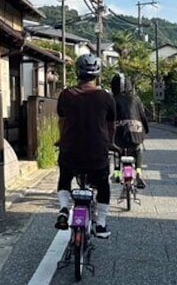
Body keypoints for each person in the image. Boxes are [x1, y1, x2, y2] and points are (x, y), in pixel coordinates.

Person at [54, 54, 116, 239]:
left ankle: (64, 209)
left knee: (65, 177)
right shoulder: (106, 97)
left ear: (77, 72)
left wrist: (61, 139)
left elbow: (62, 121)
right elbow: (111, 125)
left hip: (70, 152)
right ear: (97, 74)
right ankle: (102, 224)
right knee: (103, 184)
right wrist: (110, 143)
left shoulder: (66, 94)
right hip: (97, 154)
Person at [110, 73, 149, 189]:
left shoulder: (113, 100)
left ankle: (116, 173)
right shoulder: (136, 99)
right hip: (136, 134)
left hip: (118, 135)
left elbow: (109, 118)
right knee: (138, 148)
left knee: (116, 151)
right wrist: (146, 129)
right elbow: (143, 117)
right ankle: (138, 172)